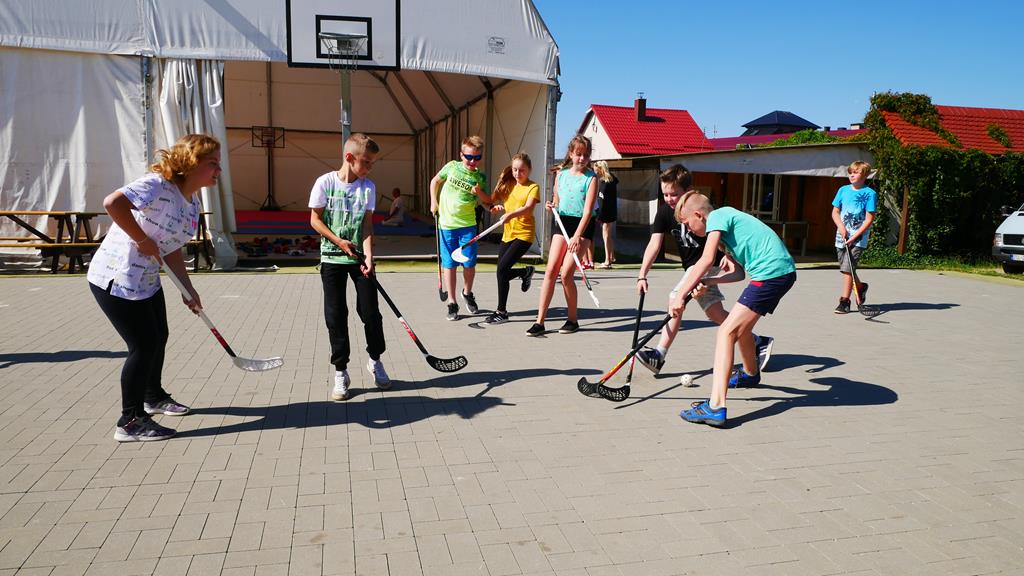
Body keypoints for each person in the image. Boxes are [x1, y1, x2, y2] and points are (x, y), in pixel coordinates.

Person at [88, 133, 218, 442]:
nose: (219, 171)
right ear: (192, 163)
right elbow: (113, 203)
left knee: (159, 336)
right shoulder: (157, 185)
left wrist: (188, 289)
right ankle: (130, 421)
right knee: (143, 346)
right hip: (116, 278)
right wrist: (142, 239)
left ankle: (153, 395)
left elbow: (171, 248)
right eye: (213, 164)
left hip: (146, 280)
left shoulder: (191, 203)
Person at [672, 192, 797, 427]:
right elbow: (739, 274)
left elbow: (706, 259)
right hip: (777, 273)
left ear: (699, 215)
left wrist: (680, 295)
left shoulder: (719, 216)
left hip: (771, 274)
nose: (688, 230)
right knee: (739, 330)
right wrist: (709, 282)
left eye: (687, 223)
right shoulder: (727, 231)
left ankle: (715, 407)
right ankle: (750, 374)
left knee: (726, 332)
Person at [635, 164, 774, 375]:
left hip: (706, 265)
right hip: (695, 268)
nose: (670, 199)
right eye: (666, 194)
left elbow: (719, 242)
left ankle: (659, 354)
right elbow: (654, 244)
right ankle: (756, 341)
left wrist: (727, 255)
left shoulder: (702, 210)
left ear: (689, 192)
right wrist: (642, 275)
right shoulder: (664, 212)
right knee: (715, 313)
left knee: (675, 297)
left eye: (675, 194)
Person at [309, 133, 391, 401]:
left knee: (370, 313)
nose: (369, 167)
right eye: (366, 162)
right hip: (332, 259)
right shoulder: (325, 182)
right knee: (336, 316)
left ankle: (375, 360)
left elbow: (367, 225)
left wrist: (368, 257)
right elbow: (315, 221)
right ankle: (341, 371)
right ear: (349, 158)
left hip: (358, 260)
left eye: (372, 163)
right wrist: (337, 241)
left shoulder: (368, 187)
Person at [526, 135, 598, 336]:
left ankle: (572, 320)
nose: (582, 159)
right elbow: (557, 200)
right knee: (550, 271)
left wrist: (577, 236)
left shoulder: (591, 178)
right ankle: (539, 322)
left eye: (585, 155)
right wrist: (552, 205)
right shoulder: (561, 174)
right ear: (571, 154)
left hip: (582, 227)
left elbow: (587, 211)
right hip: (563, 223)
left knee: (566, 274)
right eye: (578, 154)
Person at [430, 135, 490, 321]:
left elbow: (486, 201)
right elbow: (435, 181)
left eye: (477, 158)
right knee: (449, 265)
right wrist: (434, 201)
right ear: (461, 155)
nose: (473, 161)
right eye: (469, 157)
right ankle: (452, 302)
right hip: (446, 225)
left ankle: (467, 292)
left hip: (467, 226)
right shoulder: (452, 167)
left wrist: (484, 198)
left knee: (469, 264)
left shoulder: (480, 177)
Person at [483, 153, 540, 324]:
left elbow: (528, 208)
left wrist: (510, 214)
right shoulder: (508, 185)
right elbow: (489, 203)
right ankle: (525, 272)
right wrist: (495, 207)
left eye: (521, 170)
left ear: (529, 170)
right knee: (502, 272)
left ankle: (501, 312)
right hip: (508, 234)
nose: (517, 173)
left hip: (524, 235)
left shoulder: (533, 187)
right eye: (515, 169)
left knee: (501, 270)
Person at [831, 161, 876, 314]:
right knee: (846, 268)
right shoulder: (843, 190)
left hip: (858, 238)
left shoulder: (870, 194)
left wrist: (855, 236)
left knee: (848, 269)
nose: (851, 174)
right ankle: (861, 286)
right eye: (850, 172)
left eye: (856, 172)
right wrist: (842, 228)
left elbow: (869, 219)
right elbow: (835, 212)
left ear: (864, 175)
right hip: (841, 236)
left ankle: (844, 301)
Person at [593, 160, 619, 269]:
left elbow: (602, 201)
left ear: (600, 169)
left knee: (606, 236)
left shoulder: (605, 183)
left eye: (596, 170)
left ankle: (607, 260)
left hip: (606, 212)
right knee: (608, 236)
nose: (595, 172)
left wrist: (600, 215)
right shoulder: (611, 180)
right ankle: (611, 257)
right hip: (611, 210)